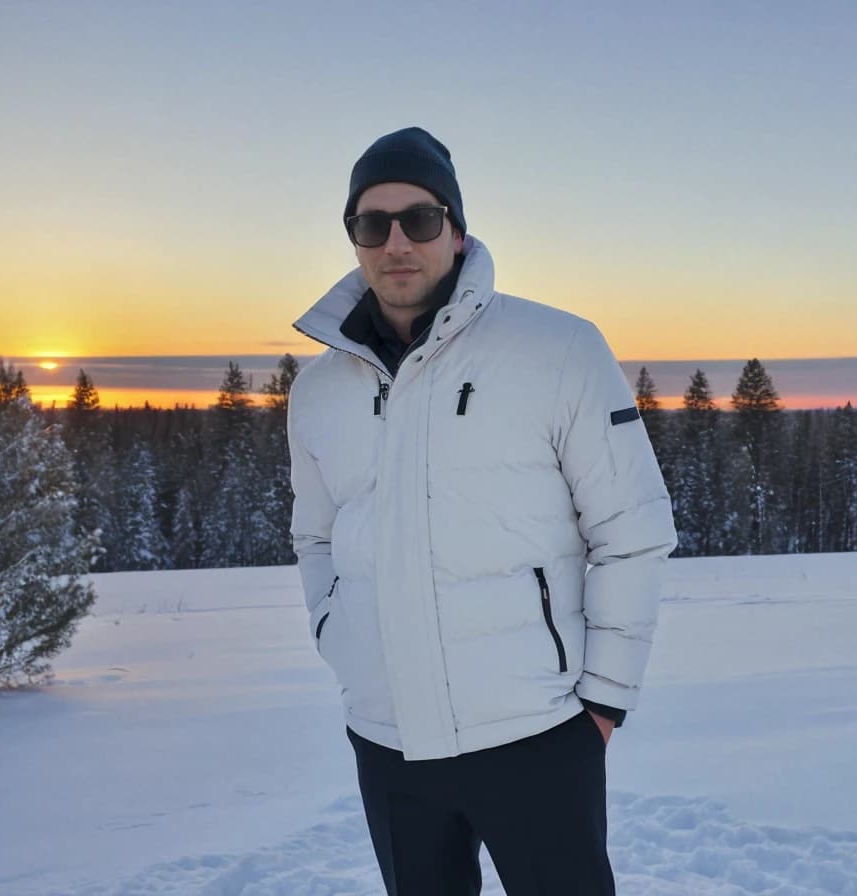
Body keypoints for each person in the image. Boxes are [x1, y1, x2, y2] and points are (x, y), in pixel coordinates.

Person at [288, 126, 677, 895]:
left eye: (420, 219)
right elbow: (315, 536)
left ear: (457, 232)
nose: (396, 241)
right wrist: (338, 635)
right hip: (386, 740)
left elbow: (632, 533)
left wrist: (601, 702)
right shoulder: (319, 388)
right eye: (373, 223)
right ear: (355, 239)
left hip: (536, 735)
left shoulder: (557, 349)